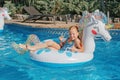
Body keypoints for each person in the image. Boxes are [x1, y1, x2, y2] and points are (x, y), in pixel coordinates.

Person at [12, 25, 84, 54]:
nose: (72, 35)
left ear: (77, 33)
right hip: (61, 48)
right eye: (70, 33)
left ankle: (29, 48)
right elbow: (63, 45)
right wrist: (61, 41)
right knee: (49, 44)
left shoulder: (77, 41)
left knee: (49, 44)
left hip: (62, 51)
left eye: (73, 34)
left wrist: (75, 50)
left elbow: (82, 50)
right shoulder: (69, 38)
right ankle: (30, 48)